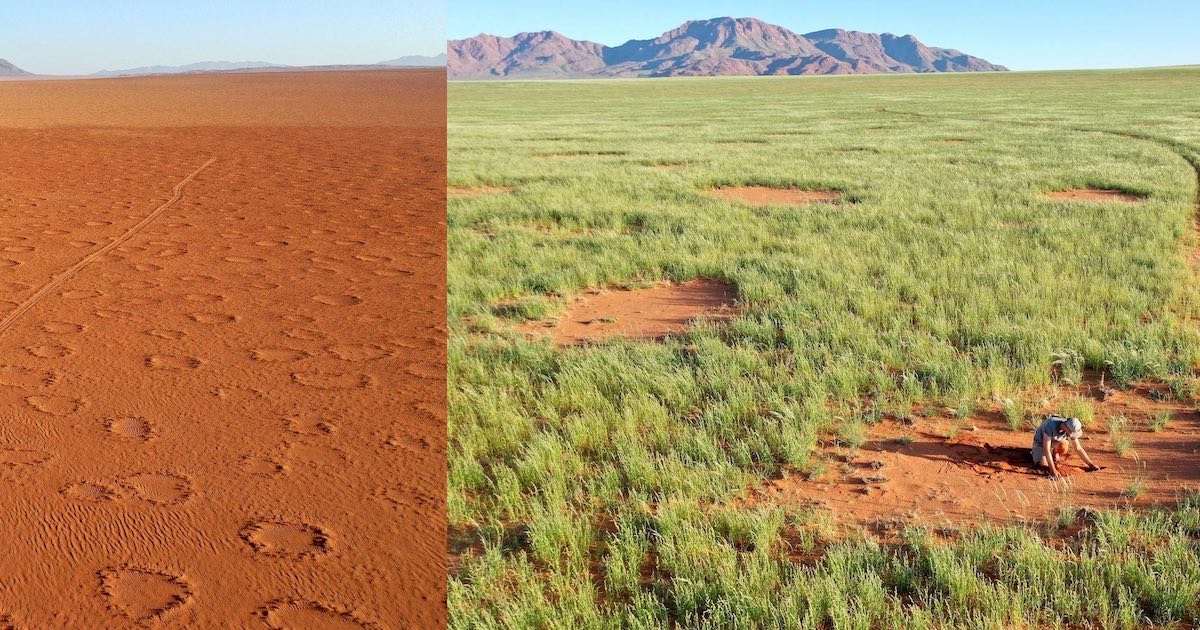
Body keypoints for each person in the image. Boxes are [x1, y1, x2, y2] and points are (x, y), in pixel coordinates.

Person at [1032, 415, 1099, 478]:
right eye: (1072, 432)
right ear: (1068, 429)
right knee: (1043, 466)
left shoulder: (1070, 426)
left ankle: (1055, 453)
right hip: (1041, 443)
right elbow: (1046, 449)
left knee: (1064, 444)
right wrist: (1053, 470)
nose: (1073, 434)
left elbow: (1078, 448)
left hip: (1054, 442)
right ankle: (1035, 453)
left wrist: (1091, 464)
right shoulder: (1050, 426)